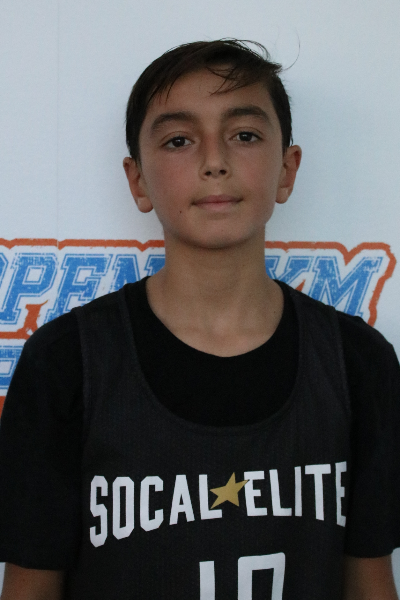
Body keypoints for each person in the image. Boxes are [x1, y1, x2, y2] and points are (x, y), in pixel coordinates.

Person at [0, 39, 399, 600]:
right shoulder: (66, 363)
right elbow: (29, 588)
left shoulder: (358, 363)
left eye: (244, 135)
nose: (215, 161)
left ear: (287, 170)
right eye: (179, 140)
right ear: (138, 181)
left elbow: (371, 582)